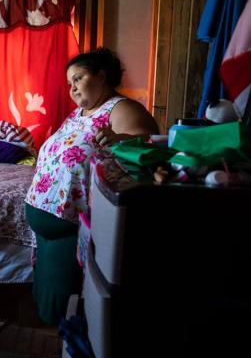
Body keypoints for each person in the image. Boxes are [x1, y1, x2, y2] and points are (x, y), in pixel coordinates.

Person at [25, 48, 159, 325]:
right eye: (69, 83)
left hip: (74, 221)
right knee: (50, 293)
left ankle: (65, 341)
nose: (72, 87)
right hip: (48, 219)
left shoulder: (121, 108)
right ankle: (52, 336)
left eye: (78, 78)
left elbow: (148, 145)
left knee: (68, 305)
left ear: (101, 75)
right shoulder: (80, 113)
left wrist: (120, 138)